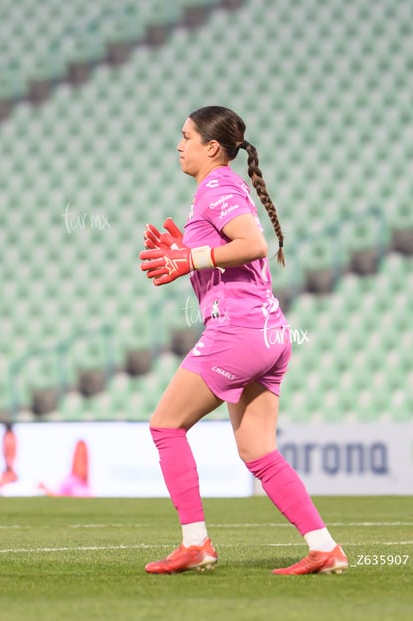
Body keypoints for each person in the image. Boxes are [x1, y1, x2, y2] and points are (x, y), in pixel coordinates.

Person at [139, 105, 348, 575]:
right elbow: (232, 253)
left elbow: (253, 244)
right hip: (269, 331)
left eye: (186, 136)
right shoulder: (222, 189)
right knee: (258, 450)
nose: (179, 144)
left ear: (211, 147)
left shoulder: (216, 187)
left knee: (166, 426)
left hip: (239, 330)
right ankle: (324, 548)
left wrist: (191, 259)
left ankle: (196, 544)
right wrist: (188, 256)